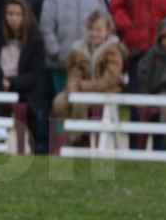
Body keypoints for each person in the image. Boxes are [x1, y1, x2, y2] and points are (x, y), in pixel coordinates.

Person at [38, 0, 106, 110]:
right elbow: (46, 27)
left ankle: (81, 136)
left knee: (83, 107)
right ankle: (60, 136)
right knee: (62, 106)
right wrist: (55, 51)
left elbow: (105, 26)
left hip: (88, 63)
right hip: (61, 63)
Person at [0, 0, 47, 149]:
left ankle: (3, 130)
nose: (13, 18)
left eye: (18, 14)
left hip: (23, 89)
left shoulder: (35, 40)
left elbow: (35, 75)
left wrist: (12, 82)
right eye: (10, 13)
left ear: (25, 16)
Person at [52, 10, 126, 145]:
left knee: (80, 101)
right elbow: (74, 71)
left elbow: (109, 79)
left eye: (98, 30)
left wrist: (83, 86)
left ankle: (78, 140)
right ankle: (60, 140)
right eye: (91, 29)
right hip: (82, 90)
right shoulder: (80, 49)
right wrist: (72, 85)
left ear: (107, 31)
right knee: (59, 101)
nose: (94, 33)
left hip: (106, 92)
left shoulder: (113, 50)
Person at [132, 18, 166, 151]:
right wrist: (146, 94)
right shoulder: (154, 54)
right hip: (161, 95)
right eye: (163, 37)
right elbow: (143, 75)